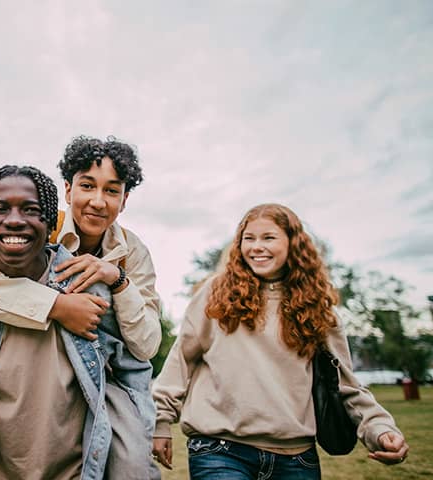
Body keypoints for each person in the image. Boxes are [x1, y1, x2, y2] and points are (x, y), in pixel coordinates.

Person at [0, 137, 162, 479]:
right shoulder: (36, 222)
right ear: (68, 190)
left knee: (132, 462)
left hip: (106, 373)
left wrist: (116, 278)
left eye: (112, 191)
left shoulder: (132, 251)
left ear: (125, 199)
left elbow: (145, 345)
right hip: (33, 364)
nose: (98, 202)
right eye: (87, 186)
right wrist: (57, 304)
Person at [151, 203, 409, 479]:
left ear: (293, 243)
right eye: (248, 239)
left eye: (268, 238)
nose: (256, 247)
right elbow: (180, 362)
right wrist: (160, 421)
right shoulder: (215, 294)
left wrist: (380, 428)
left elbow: (345, 385)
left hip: (296, 459)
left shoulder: (318, 308)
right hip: (220, 451)